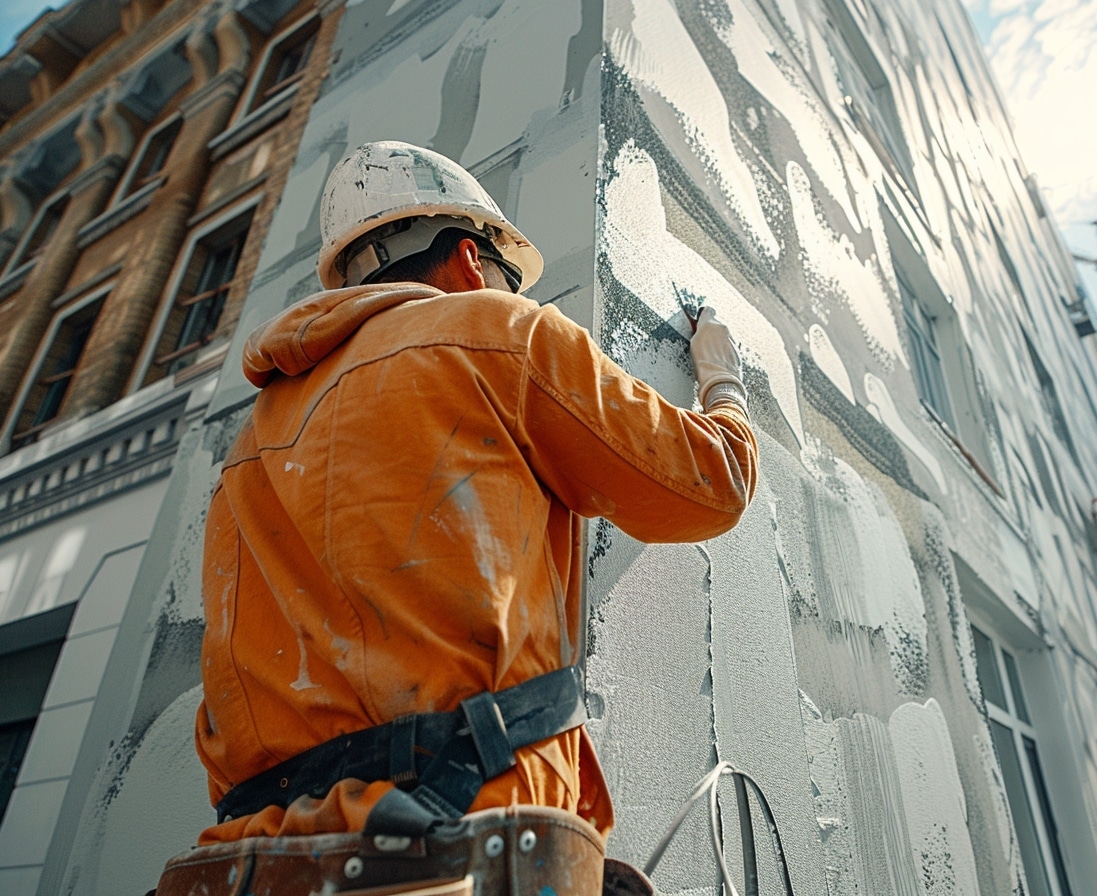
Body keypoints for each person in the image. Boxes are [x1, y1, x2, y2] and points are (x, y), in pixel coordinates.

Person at [153, 141, 758, 895]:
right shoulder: (499, 332)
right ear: (472, 261)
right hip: (470, 835)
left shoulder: (249, 450)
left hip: (259, 861)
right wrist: (724, 382)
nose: (512, 296)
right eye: (507, 279)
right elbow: (710, 484)